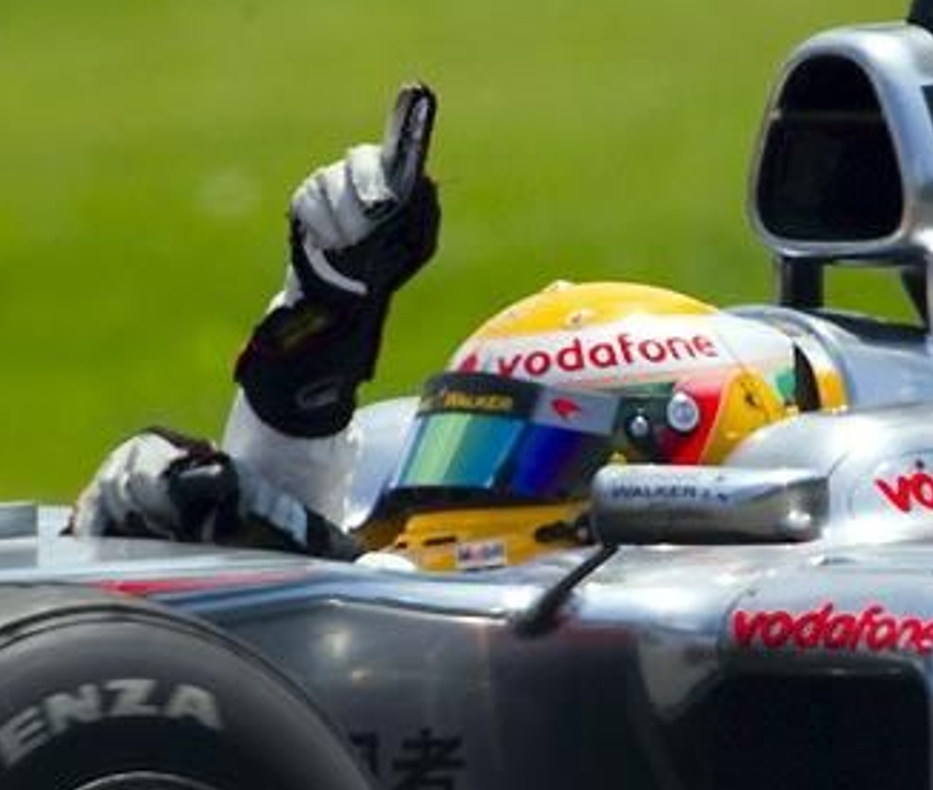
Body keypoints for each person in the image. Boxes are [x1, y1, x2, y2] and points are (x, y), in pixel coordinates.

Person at [72, 87, 835, 568]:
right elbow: (352, 571)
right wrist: (315, 321)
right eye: (470, 450)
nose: (466, 498)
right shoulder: (438, 555)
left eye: (534, 458)